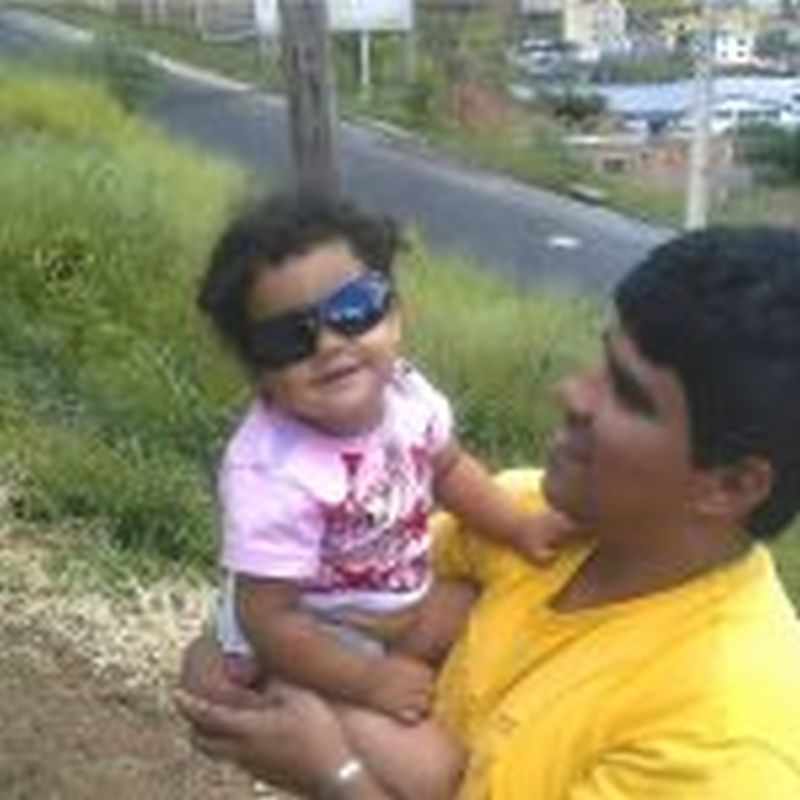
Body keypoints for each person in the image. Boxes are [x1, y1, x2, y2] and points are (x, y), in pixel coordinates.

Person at [176, 226, 800, 799]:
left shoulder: (723, 746)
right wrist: (241, 663)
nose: (571, 394)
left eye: (629, 393)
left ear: (731, 484)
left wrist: (334, 772)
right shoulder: (527, 519)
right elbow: (311, 607)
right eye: (602, 360)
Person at [196, 192, 573, 737]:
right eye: (289, 338)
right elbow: (269, 619)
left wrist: (520, 527)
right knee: (427, 770)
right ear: (259, 374)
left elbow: (448, 468)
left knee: (488, 617)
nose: (329, 343)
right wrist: (369, 681)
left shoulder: (406, 396)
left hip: (398, 604)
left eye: (354, 309)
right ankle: (306, 727)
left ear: (394, 313)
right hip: (316, 639)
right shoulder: (273, 472)